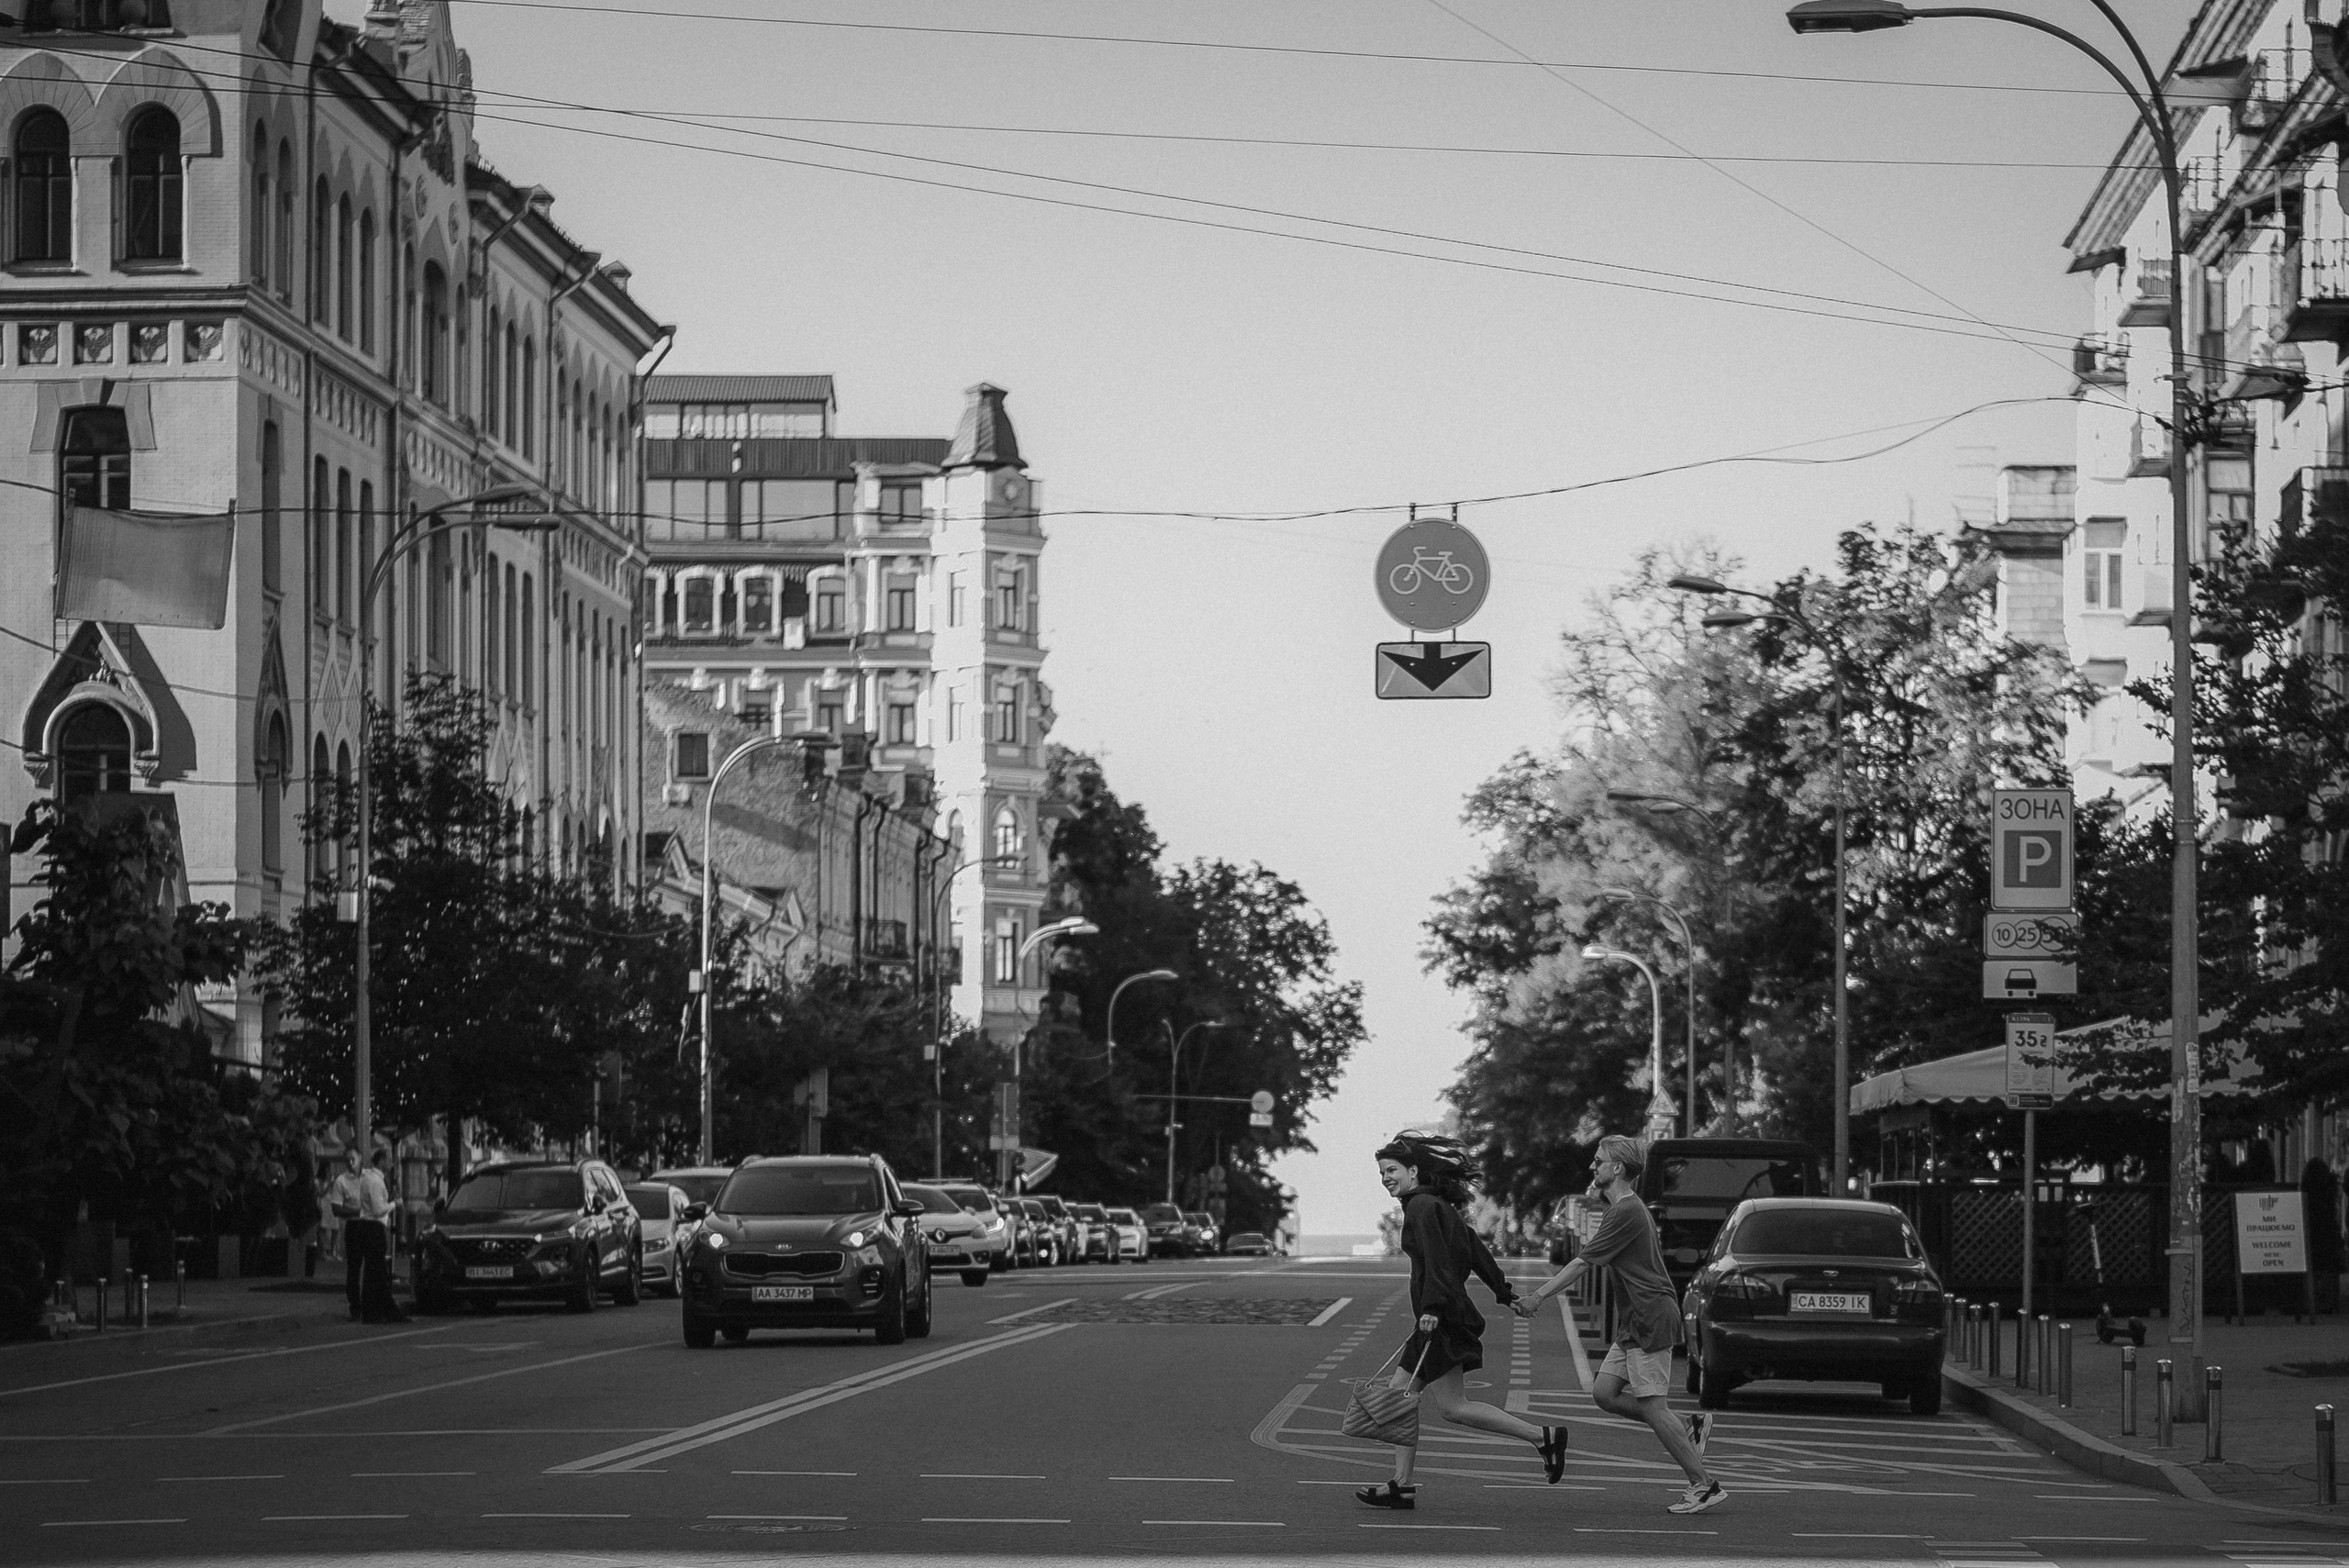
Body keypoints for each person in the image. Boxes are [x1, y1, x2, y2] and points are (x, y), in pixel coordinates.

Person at [1355, 1131, 1570, 1510]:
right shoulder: (1438, 1206)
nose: (1385, 1178)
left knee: (1446, 1406)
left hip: (1441, 1320)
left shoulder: (1421, 1207)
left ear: (1414, 1170)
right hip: (1442, 1318)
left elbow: (1439, 1261)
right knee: (1401, 1396)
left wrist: (1432, 1310)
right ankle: (1402, 1485)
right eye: (1382, 1172)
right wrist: (1506, 1295)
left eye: (1391, 1170)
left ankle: (1543, 1437)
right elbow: (1476, 1251)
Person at [1514, 1134, 1725, 1516]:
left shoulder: (1626, 1210)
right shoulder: (1623, 1209)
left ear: (1618, 1168)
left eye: (1599, 1161)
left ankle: (1703, 1484)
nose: (1593, 1167)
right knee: (1604, 1393)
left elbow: (1582, 1264)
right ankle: (1687, 1426)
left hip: (1650, 1316)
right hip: (1635, 1319)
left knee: (1653, 1405)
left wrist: (1537, 1297)